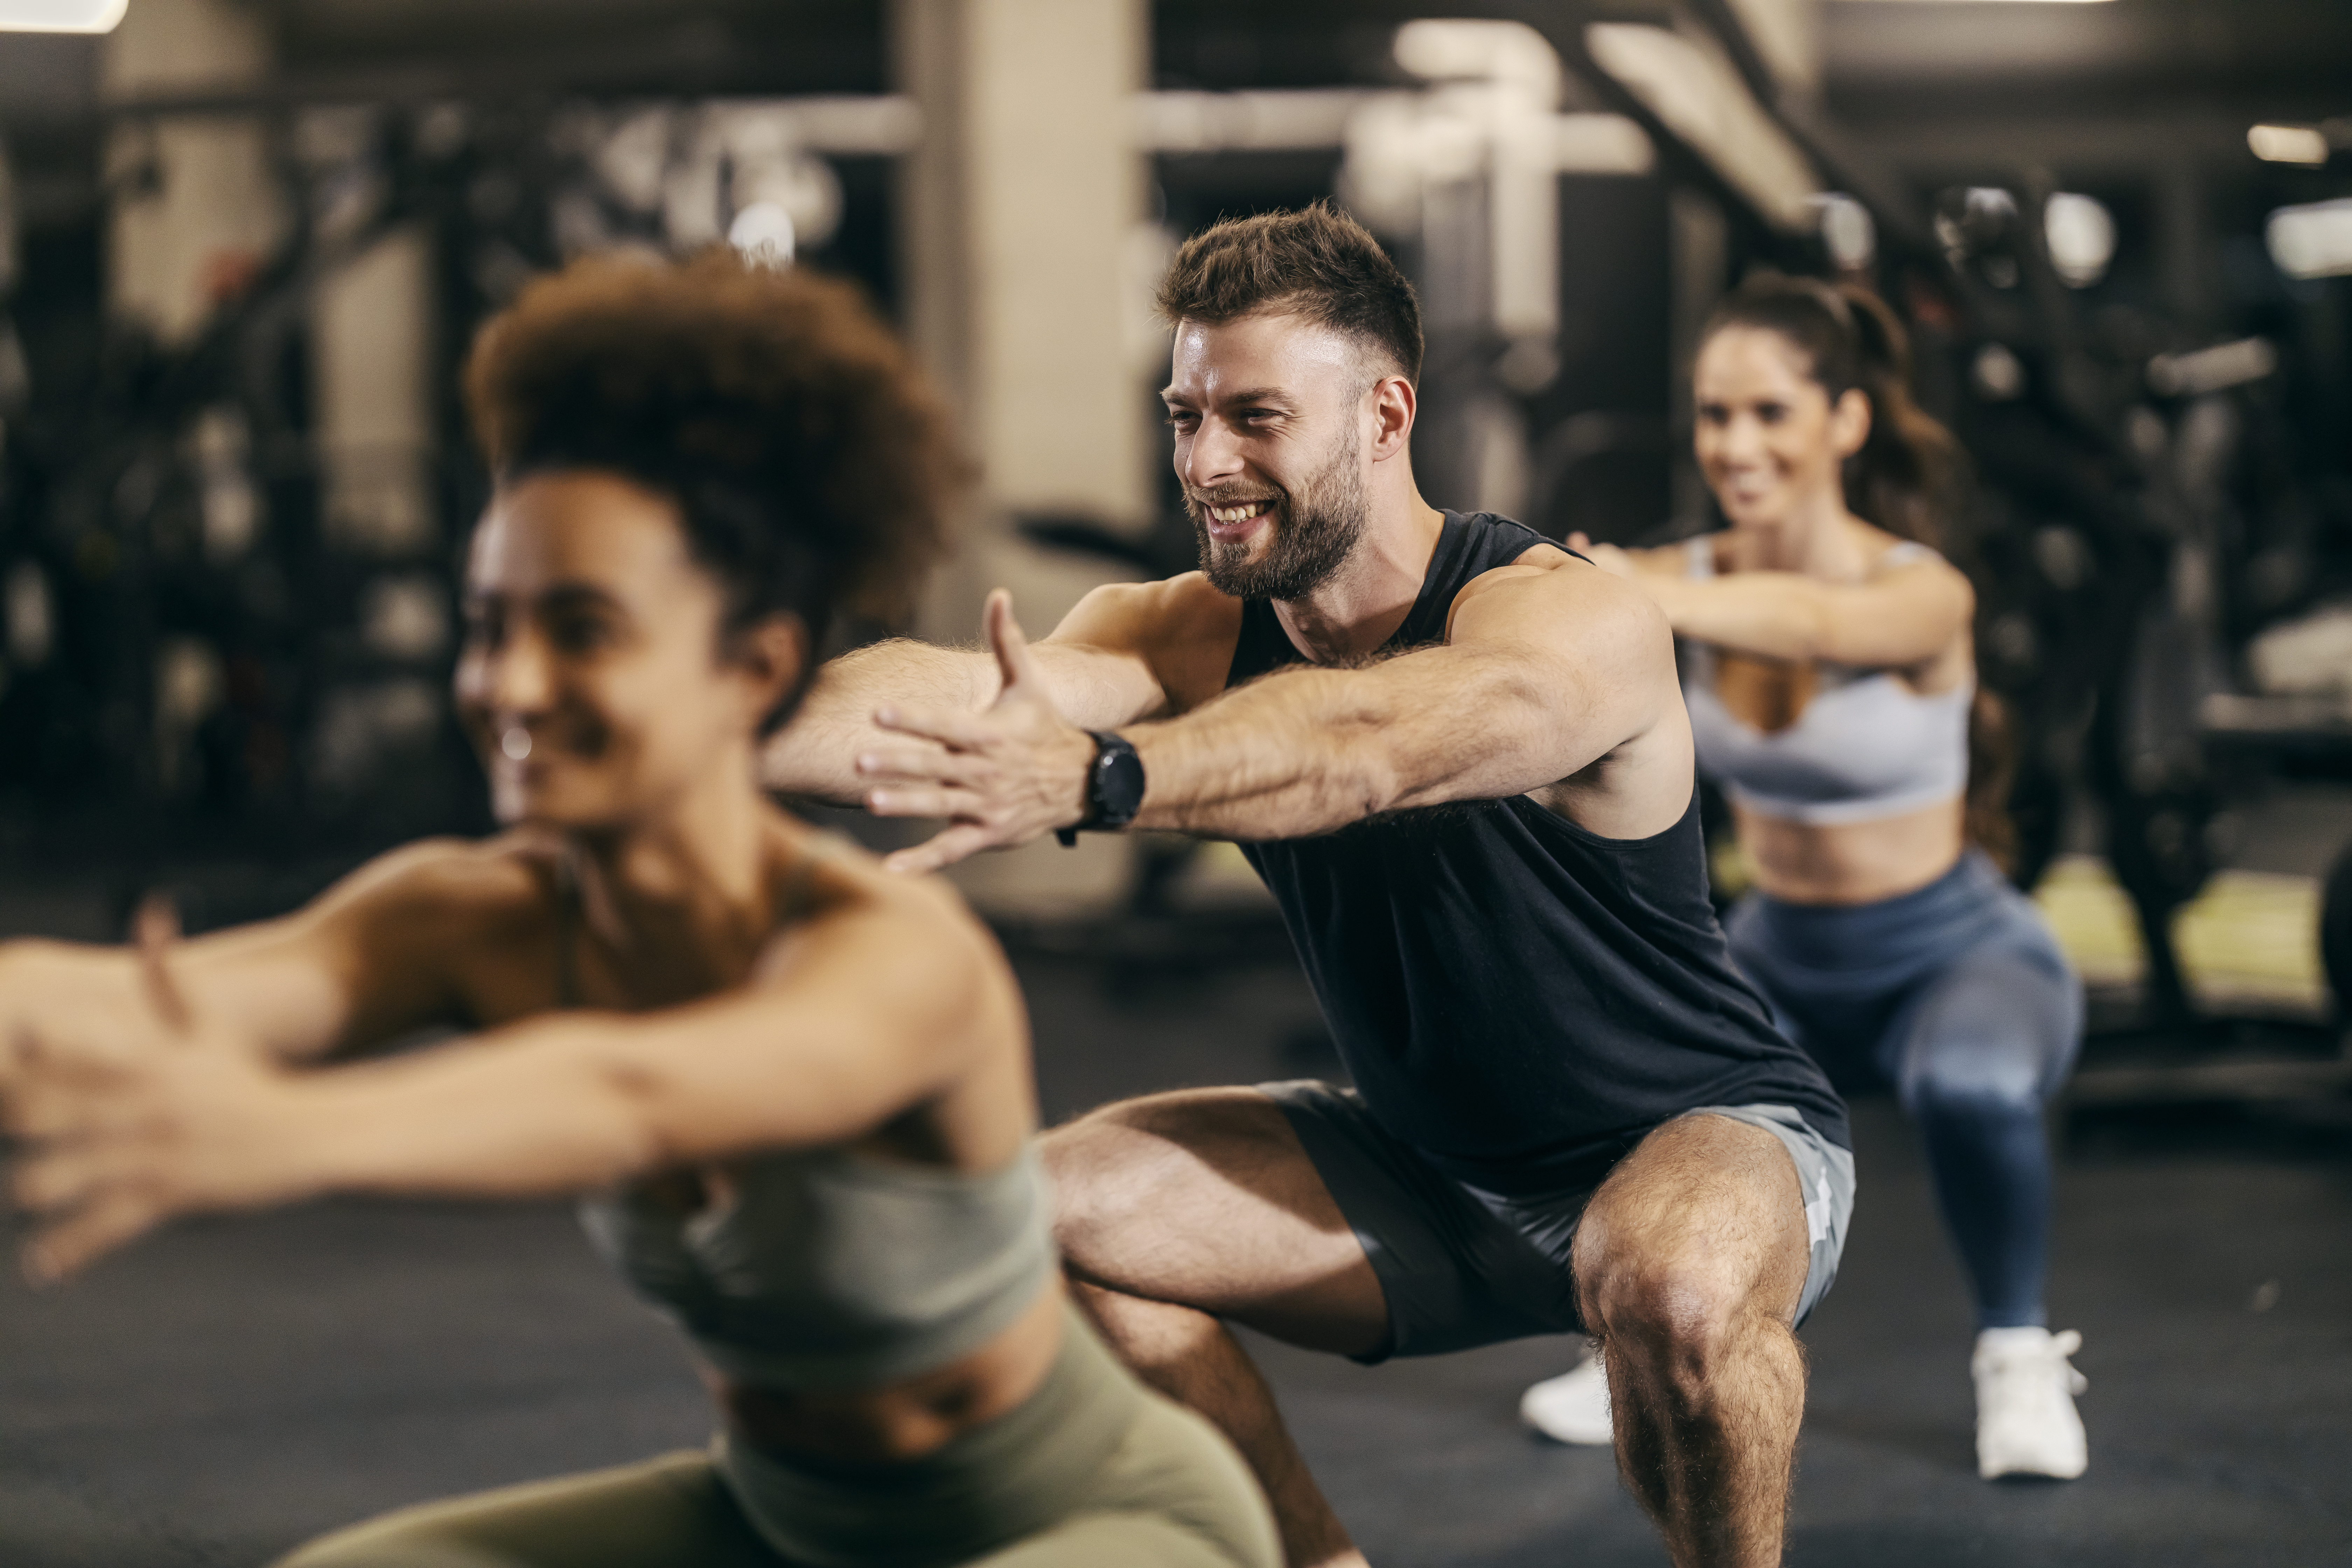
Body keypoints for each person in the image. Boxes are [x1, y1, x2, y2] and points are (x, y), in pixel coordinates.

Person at [0, 251, 1280, 1568]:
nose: (511, 684)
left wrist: (287, 1130)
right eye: (487, 625)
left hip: (1088, 1522)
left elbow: (634, 1089)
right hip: (782, 1518)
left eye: (584, 630)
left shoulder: (892, 958)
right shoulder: (468, 917)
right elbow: (135, 1003)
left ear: (757, 666)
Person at [764, 202, 1854, 1568]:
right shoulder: (1183, 627)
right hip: (1423, 1168)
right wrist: (696, 718)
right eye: (1184, 417)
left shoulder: (1559, 613)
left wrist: (1107, 777)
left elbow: (1375, 746)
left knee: (1677, 1293)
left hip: (1695, 1132)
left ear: (1385, 413)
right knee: (1030, 1219)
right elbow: (946, 696)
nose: (1206, 464)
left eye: (1256, 418)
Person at [1519, 274, 2087, 1483]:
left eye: (1770, 413)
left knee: (1975, 1087)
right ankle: (1632, 1343)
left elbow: (1820, 627)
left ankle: (2019, 1354)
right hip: (1780, 949)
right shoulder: (1675, 576)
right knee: (1653, 1112)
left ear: (1847, 421)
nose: (1736, 446)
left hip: (1957, 948)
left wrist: (1632, 590)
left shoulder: (1922, 589)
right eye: (1715, 415)